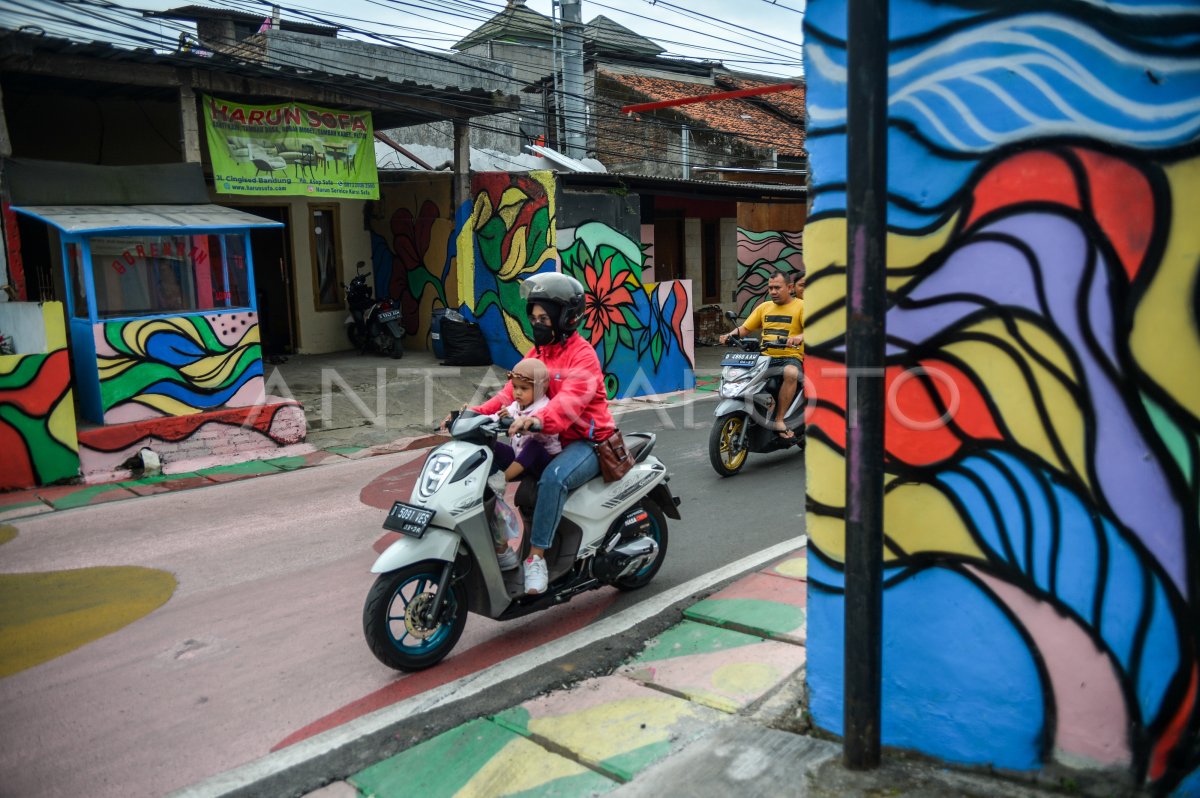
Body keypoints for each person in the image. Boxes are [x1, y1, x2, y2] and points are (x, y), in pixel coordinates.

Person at [465, 273, 616, 595]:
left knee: (554, 478)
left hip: (587, 442)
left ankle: (536, 559)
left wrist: (536, 421)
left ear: (566, 319)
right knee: (484, 457)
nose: (537, 324)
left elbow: (569, 404)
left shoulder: (583, 356)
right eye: (534, 317)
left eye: (544, 318)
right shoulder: (537, 354)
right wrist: (473, 414)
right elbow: (509, 392)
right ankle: (501, 546)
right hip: (547, 441)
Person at [719, 269, 804, 444]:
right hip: (765, 357)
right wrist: (729, 335)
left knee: (791, 373)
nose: (773, 291)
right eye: (770, 288)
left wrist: (798, 338)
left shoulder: (802, 306)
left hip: (790, 356)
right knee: (744, 377)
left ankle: (779, 420)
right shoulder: (764, 307)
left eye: (777, 288)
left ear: (789, 287)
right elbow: (744, 329)